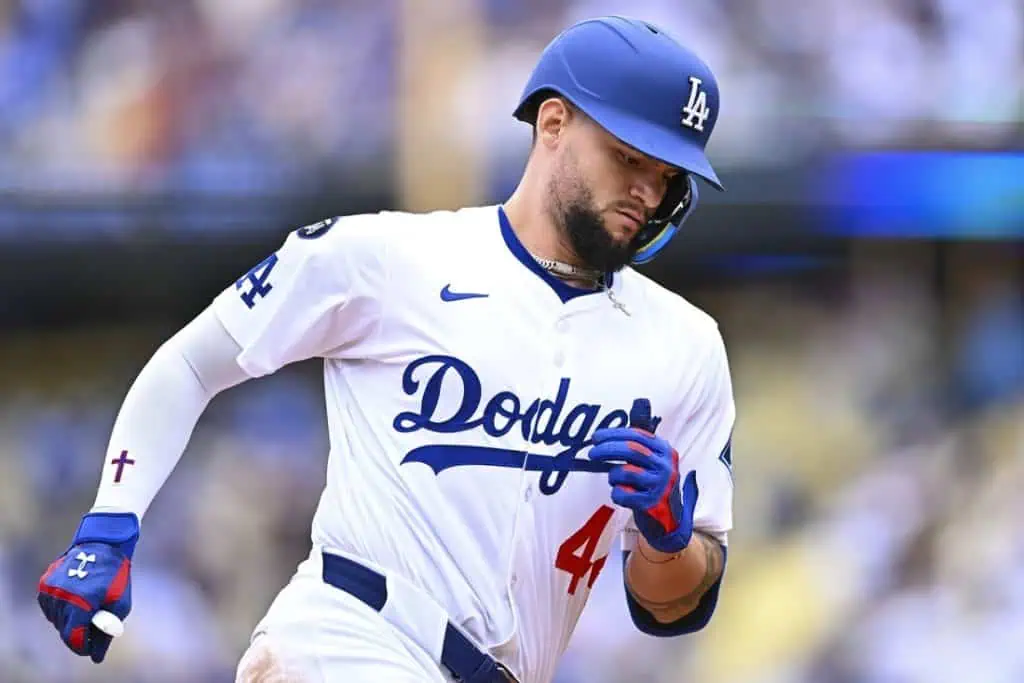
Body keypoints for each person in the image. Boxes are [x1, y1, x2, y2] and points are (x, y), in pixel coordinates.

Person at [37, 15, 736, 683]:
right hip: (350, 637)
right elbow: (193, 362)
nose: (649, 188)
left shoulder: (685, 345)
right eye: (629, 157)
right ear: (553, 122)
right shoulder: (385, 256)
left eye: (669, 173)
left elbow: (672, 604)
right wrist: (109, 521)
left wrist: (665, 537)